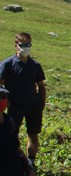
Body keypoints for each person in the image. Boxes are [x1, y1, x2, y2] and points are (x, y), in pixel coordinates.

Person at [0, 32, 46, 165]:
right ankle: (12, 159)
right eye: (23, 44)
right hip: (14, 106)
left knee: (33, 134)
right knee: (12, 134)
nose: (26, 47)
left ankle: (31, 162)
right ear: (16, 45)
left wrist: (41, 102)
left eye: (28, 44)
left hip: (33, 106)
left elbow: (41, 85)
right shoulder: (7, 64)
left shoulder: (35, 65)